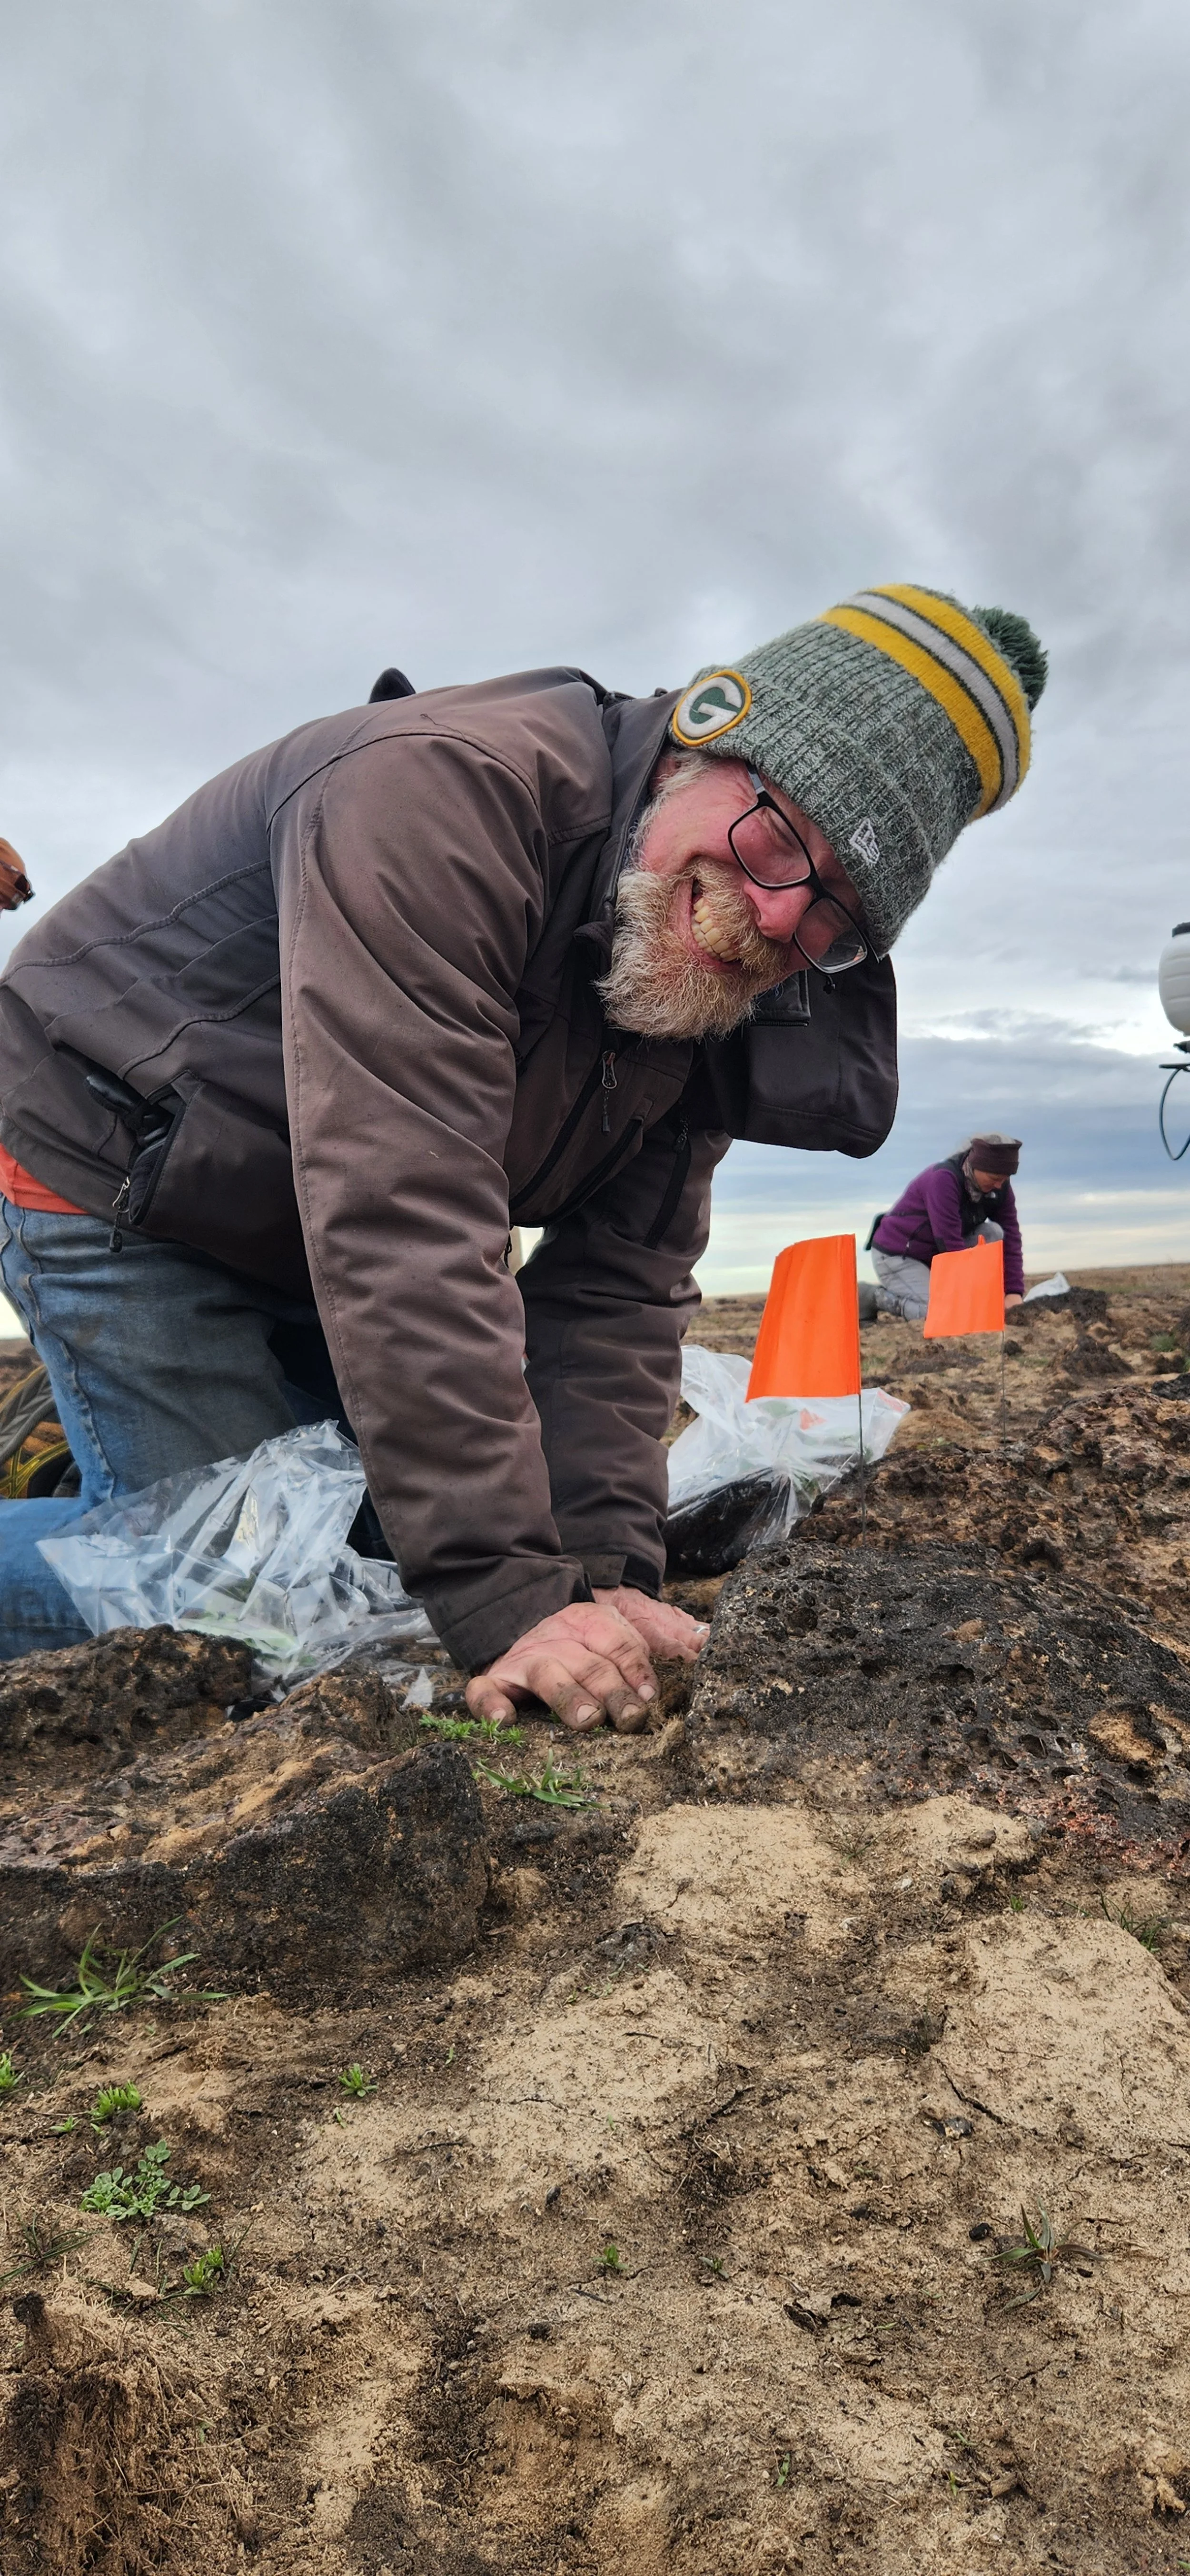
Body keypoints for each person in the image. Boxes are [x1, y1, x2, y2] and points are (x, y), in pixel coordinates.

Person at [0, 586, 1046, 1722]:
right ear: (706, 736)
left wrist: (600, 1569)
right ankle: (127, 1501)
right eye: (780, 837)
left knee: (389, 1562)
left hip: (305, 1212)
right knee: (259, 1605)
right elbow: (406, 1204)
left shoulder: (720, 979)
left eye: (841, 909)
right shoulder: (441, 790)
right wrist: (507, 1593)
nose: (782, 917)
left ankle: (110, 1478)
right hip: (116, 1160)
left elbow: (621, 1280)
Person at [868, 1134, 1025, 1321]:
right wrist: (966, 1301)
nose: (999, 1186)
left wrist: (1013, 1292)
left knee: (994, 1233)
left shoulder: (1000, 1188)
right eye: (994, 1178)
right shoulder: (943, 1180)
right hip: (899, 1255)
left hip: (937, 1256)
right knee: (937, 1314)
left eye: (1005, 1179)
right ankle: (873, 1297)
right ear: (976, 1166)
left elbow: (1012, 1237)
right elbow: (950, 1245)